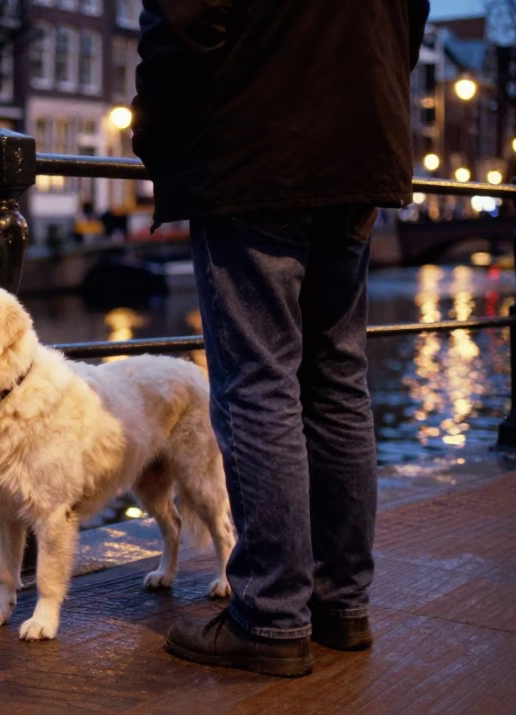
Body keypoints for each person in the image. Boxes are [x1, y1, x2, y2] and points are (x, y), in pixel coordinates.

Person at [131, 0, 429, 677]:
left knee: (257, 381)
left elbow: (183, 21)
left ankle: (269, 616)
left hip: (256, 147)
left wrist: (156, 137)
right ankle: (341, 605)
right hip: (361, 147)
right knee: (337, 379)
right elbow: (411, 16)